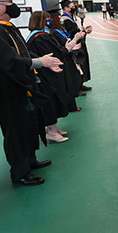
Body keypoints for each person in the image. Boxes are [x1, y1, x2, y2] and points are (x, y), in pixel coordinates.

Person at [0, 0, 63, 186]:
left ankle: (30, 161)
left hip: (22, 85)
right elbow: (9, 61)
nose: (13, 5)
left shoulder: (5, 27)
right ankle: (20, 172)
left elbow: (22, 54)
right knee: (16, 129)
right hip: (8, 90)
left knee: (30, 123)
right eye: (9, 1)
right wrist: (40, 62)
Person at [26, 11, 84, 143]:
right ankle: (51, 131)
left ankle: (53, 128)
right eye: (46, 19)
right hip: (46, 75)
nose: (50, 20)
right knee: (50, 101)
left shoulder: (36, 36)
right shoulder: (40, 37)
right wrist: (74, 41)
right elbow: (59, 52)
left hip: (46, 72)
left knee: (53, 100)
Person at [61, 0, 93, 92]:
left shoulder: (70, 18)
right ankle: (77, 88)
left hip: (77, 45)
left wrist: (83, 31)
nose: (74, 8)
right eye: (71, 6)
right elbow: (72, 34)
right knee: (77, 66)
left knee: (81, 66)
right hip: (74, 47)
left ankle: (80, 84)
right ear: (66, 8)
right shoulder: (65, 20)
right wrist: (84, 32)